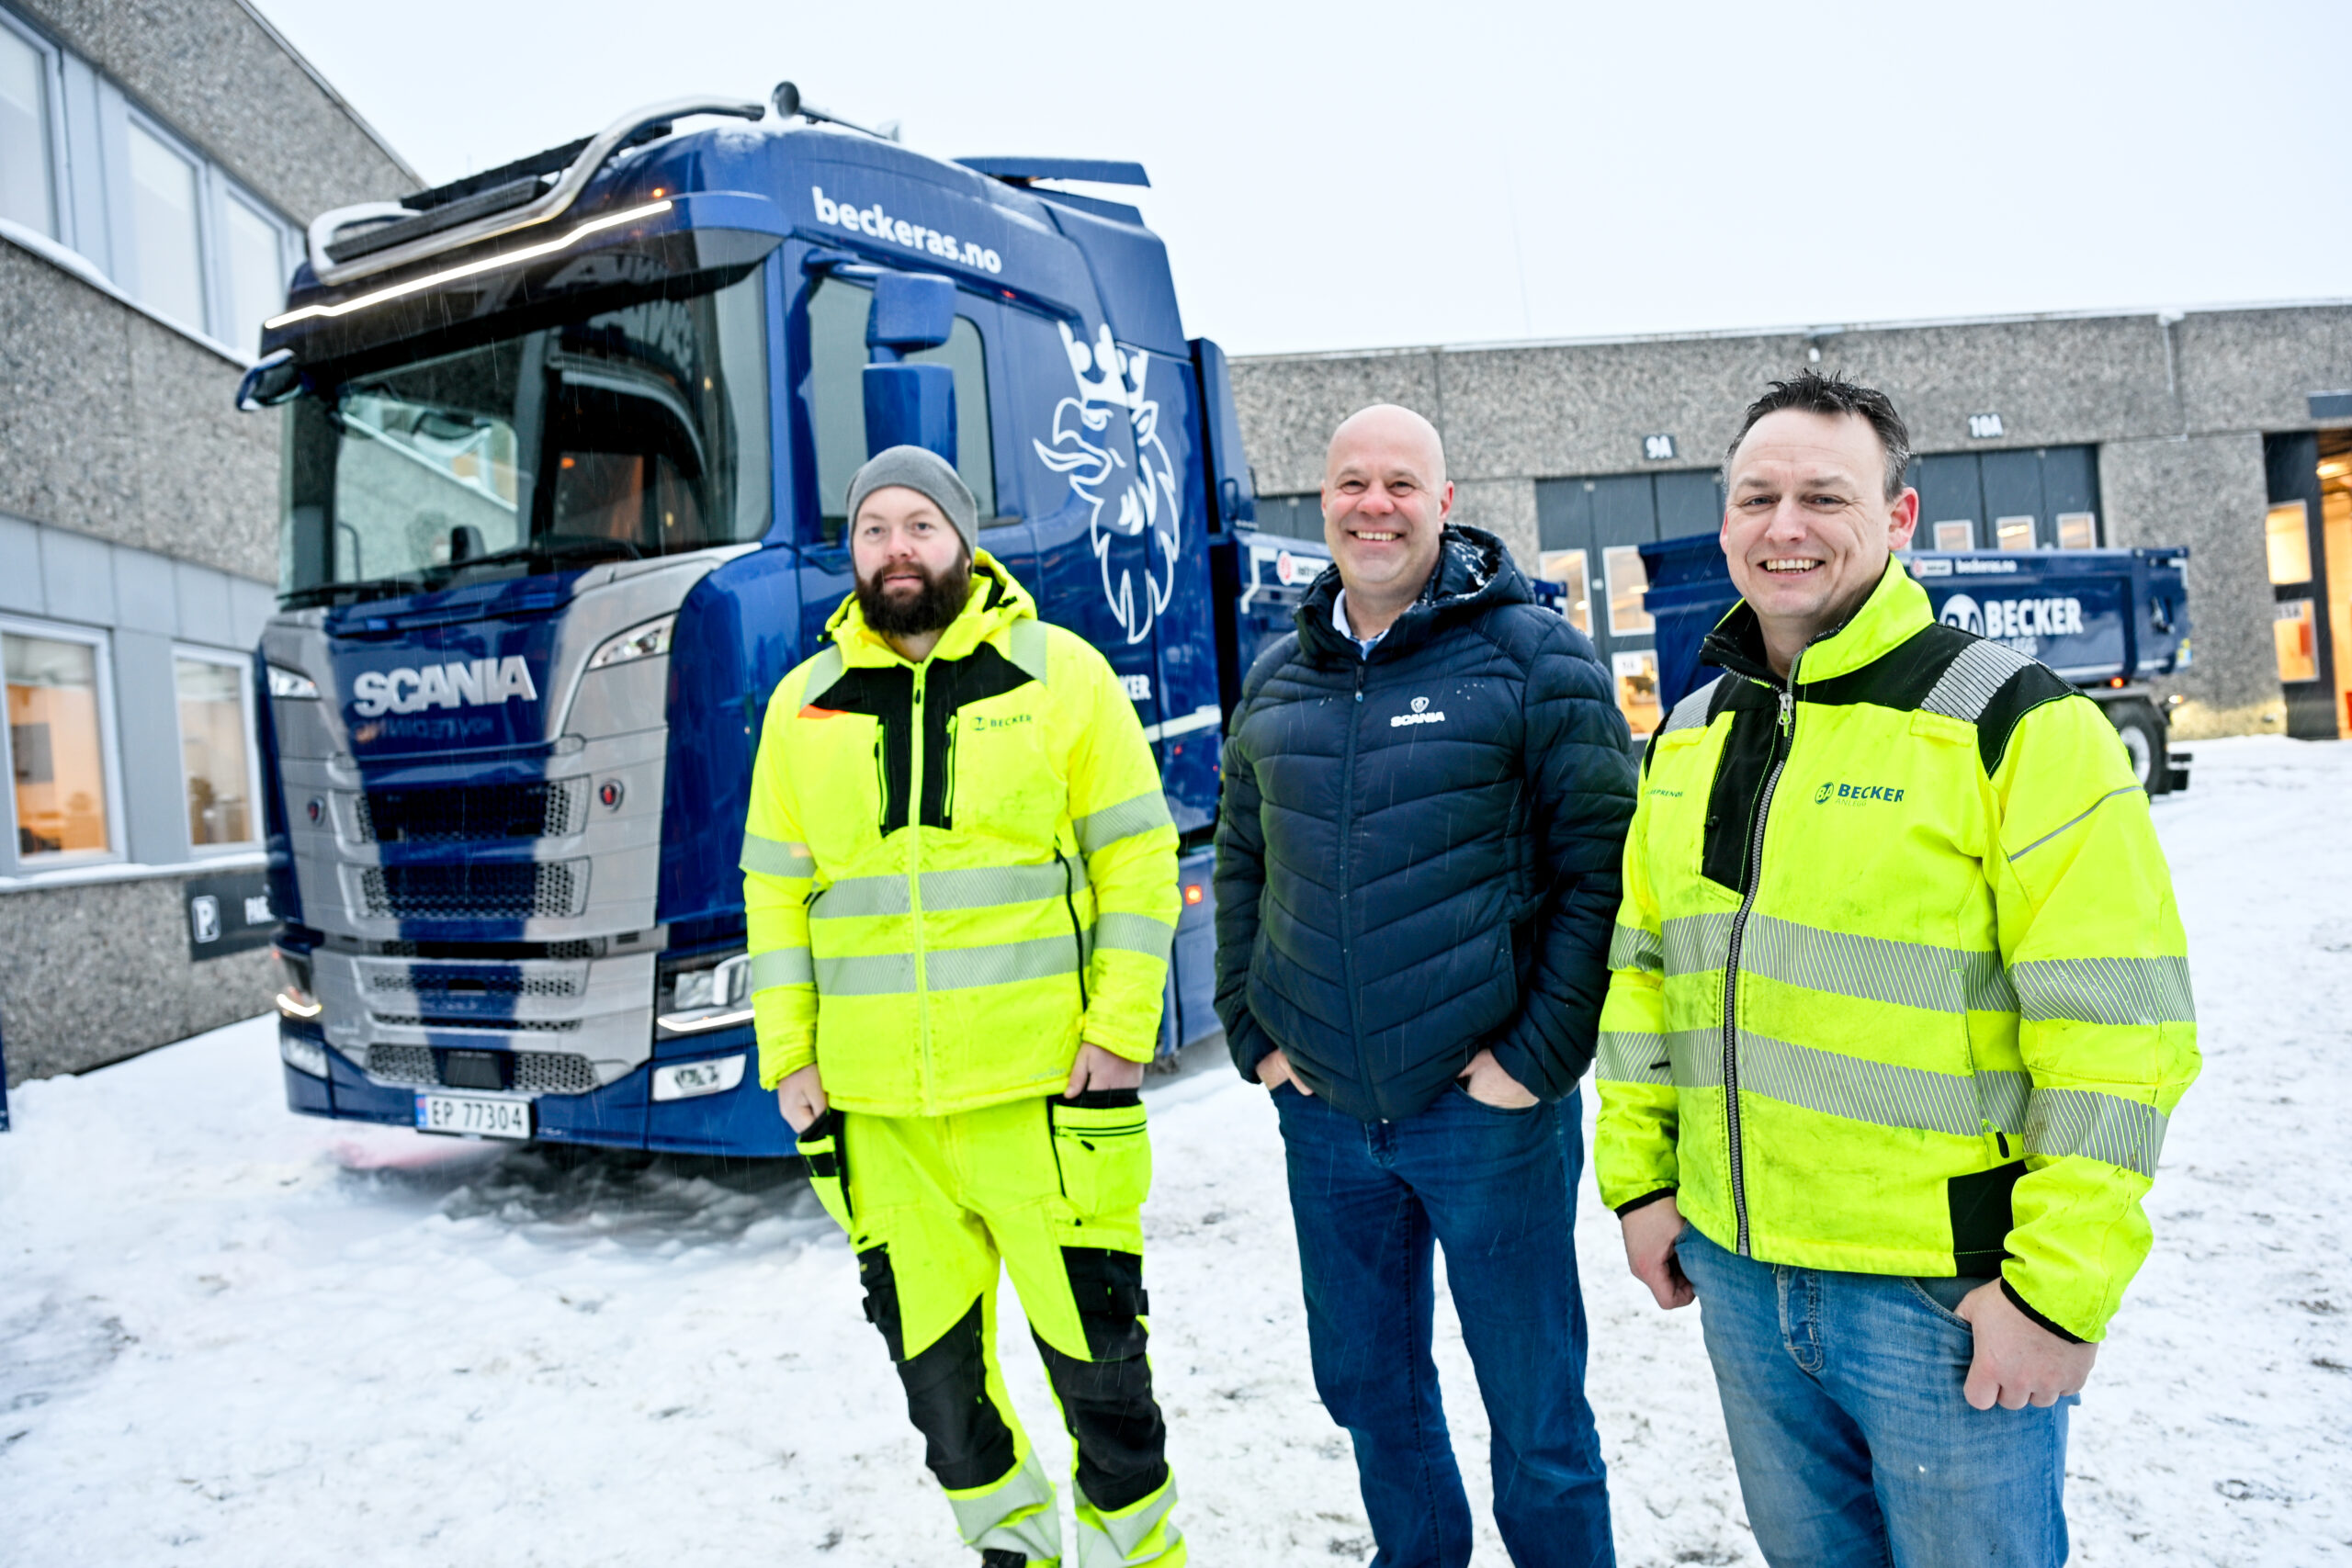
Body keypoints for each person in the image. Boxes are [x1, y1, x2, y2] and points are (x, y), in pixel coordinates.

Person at [1596, 372, 2199, 1568]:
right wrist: (1641, 1182)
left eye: (1825, 496)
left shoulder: (2015, 725)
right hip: (1742, 1276)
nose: (1785, 525)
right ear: (1725, 520)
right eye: (1757, 497)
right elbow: (1646, 973)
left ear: (1899, 515)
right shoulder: (1692, 733)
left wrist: (2055, 1289)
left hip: (1941, 1301)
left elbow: (2118, 1027)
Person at [743, 446, 1185, 1568]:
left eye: (920, 525)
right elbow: (776, 896)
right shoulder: (802, 707)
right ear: (852, 552)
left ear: (964, 542)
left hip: (1048, 1107)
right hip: (881, 1124)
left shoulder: (1062, 676)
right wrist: (788, 1056)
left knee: (1105, 1387)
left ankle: (1138, 1557)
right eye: (874, 528)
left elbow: (1138, 865)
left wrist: (1119, 1031)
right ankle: (1015, 1552)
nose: (897, 548)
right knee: (945, 1408)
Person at [1214, 403, 1634, 1568]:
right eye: (1352, 482)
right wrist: (1253, 1032)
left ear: (1444, 504)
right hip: (1326, 1120)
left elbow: (1604, 870)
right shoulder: (1279, 681)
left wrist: (1535, 1059)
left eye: (1401, 484)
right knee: (1371, 1396)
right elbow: (1242, 859)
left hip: (1483, 1114)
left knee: (1536, 1420)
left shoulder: (1533, 659)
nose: (1374, 505)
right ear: (1321, 504)